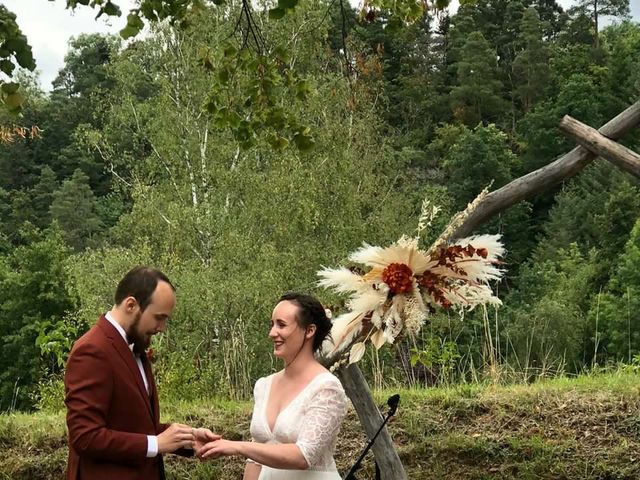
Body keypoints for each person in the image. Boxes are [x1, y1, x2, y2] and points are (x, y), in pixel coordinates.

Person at [64, 266, 209, 480]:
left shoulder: (135, 346)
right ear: (131, 305)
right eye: (159, 317)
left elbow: (134, 425)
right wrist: (156, 444)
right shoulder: (92, 350)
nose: (162, 328)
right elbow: (85, 436)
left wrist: (187, 439)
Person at [195, 292, 348, 479]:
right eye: (272, 324)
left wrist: (237, 446)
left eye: (281, 325)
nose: (272, 333)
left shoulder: (327, 388)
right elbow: (255, 459)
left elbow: (304, 456)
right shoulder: (264, 386)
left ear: (309, 331)